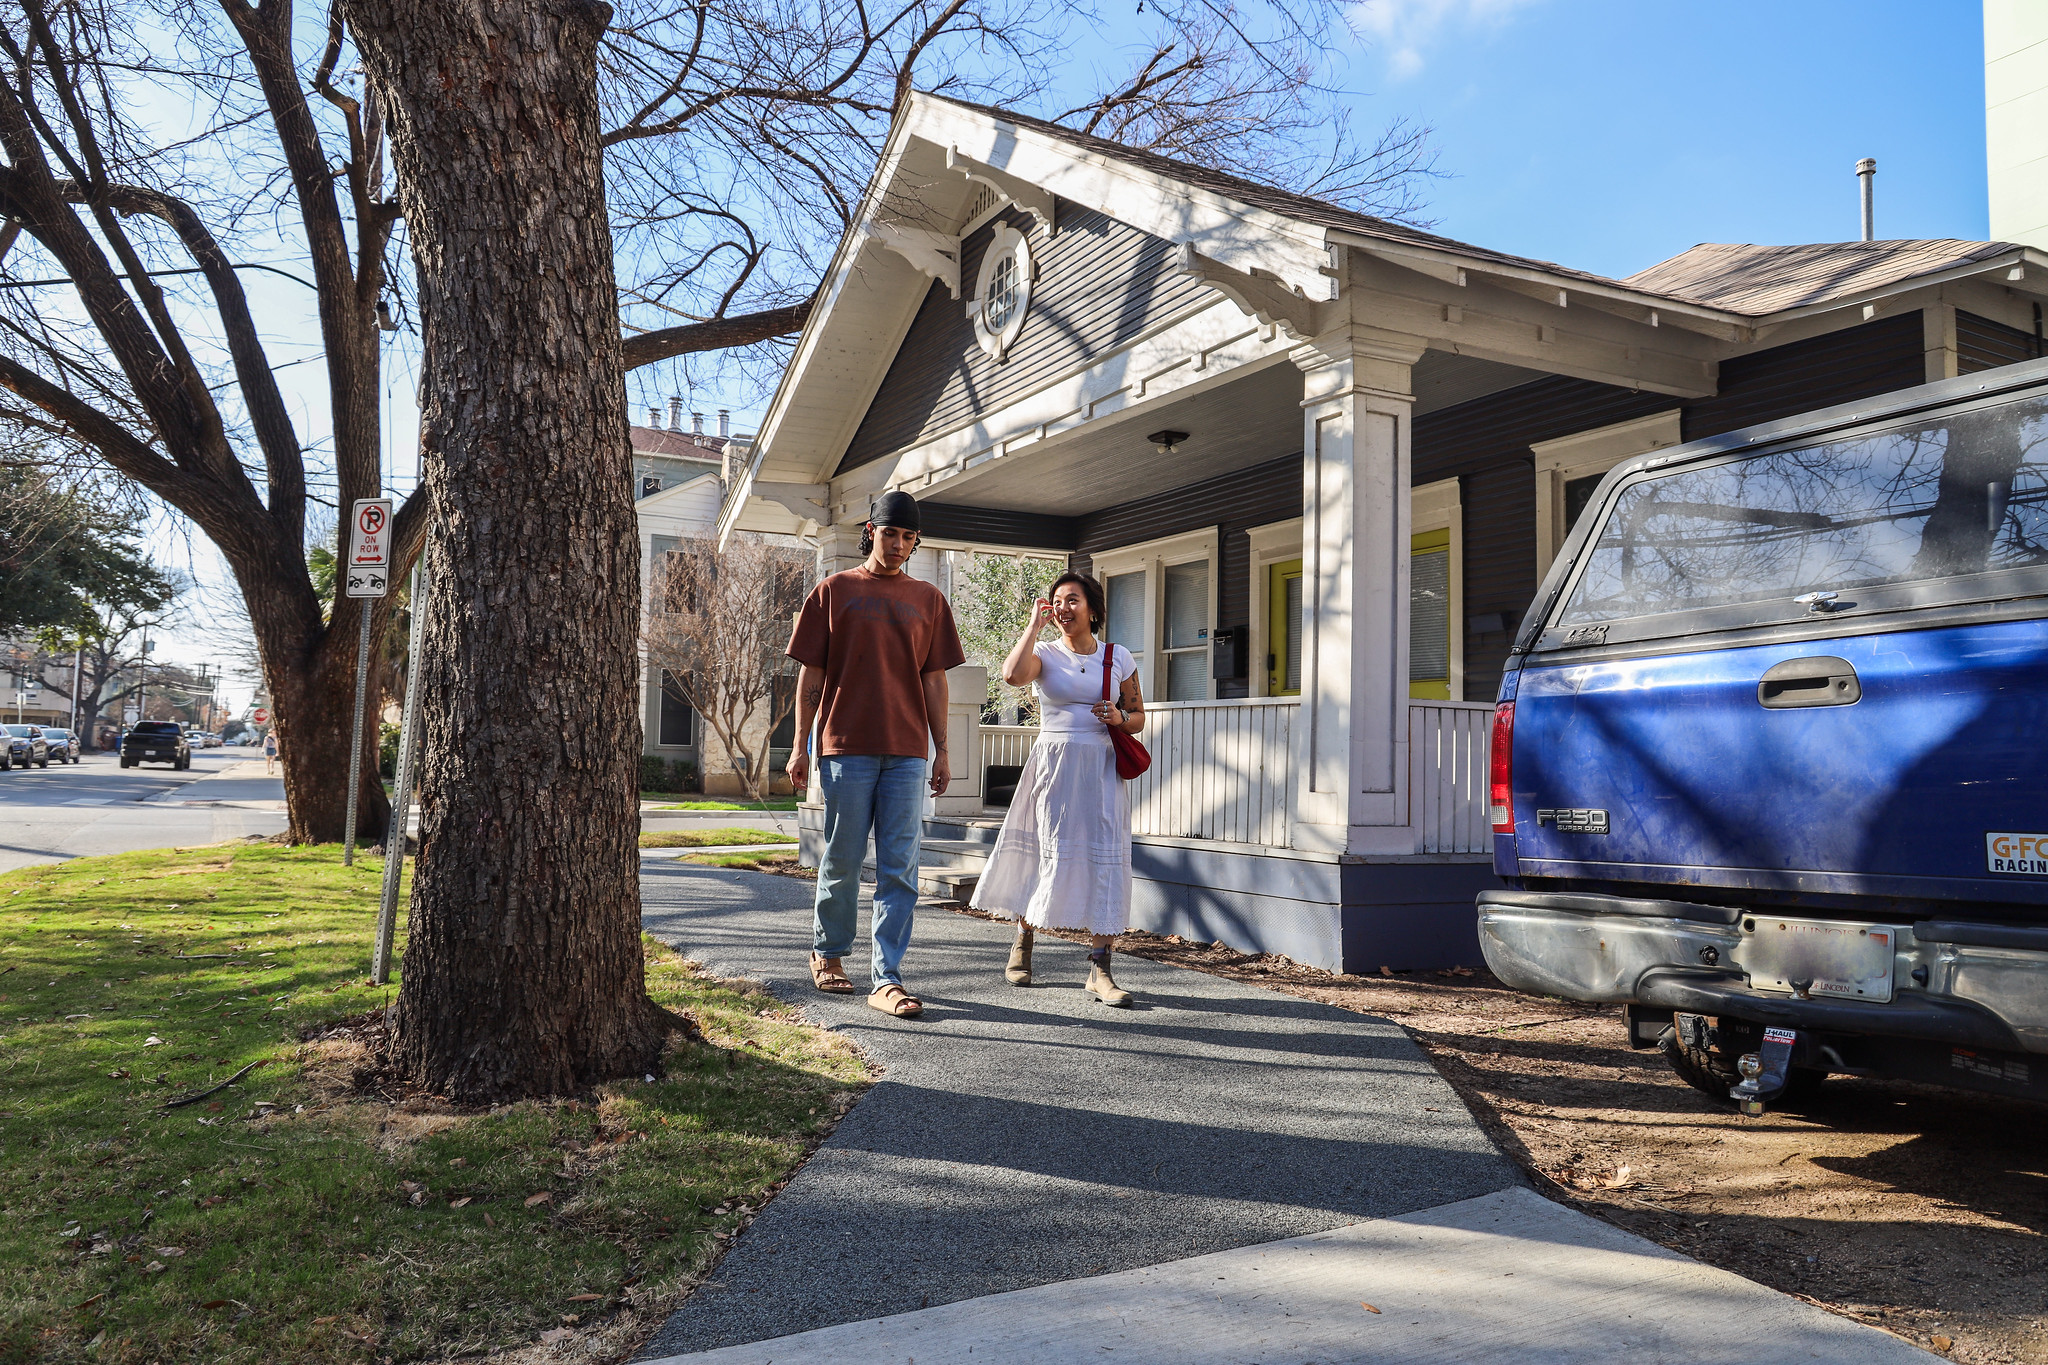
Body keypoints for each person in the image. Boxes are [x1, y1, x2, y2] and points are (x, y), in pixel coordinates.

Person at [786, 490, 965, 1019]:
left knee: (900, 868)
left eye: (909, 537)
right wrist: (800, 746)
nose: (899, 545)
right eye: (891, 534)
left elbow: (934, 682)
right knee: (841, 858)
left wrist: (943, 750)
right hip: (846, 747)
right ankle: (829, 953)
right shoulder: (833, 591)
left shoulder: (928, 600)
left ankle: (887, 978)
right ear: (872, 530)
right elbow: (809, 676)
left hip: (908, 751)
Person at [970, 572, 1145, 1007]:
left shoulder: (1117, 657)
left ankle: (1100, 968)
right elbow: (1012, 676)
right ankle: (1023, 942)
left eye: (1073, 600)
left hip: (1102, 767)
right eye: (1057, 601)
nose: (1063, 608)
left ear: (1093, 609)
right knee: (1045, 852)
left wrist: (1120, 720)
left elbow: (1139, 716)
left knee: (1104, 860)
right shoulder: (1045, 653)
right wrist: (1033, 625)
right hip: (1055, 765)